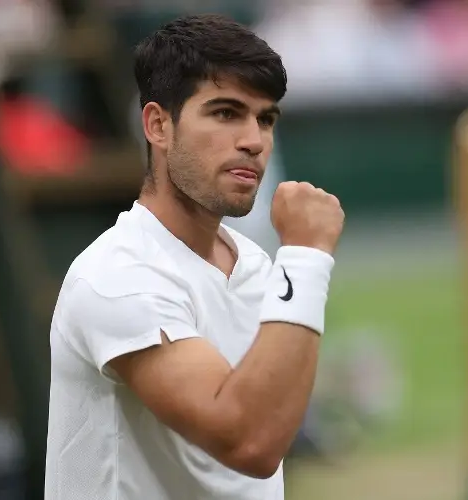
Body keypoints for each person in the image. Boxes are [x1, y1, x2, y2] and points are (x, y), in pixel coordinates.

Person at [44, 13, 345, 500]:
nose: (253, 140)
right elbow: (249, 442)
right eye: (226, 113)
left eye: (265, 119)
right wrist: (306, 254)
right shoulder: (118, 276)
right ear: (158, 125)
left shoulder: (257, 267)